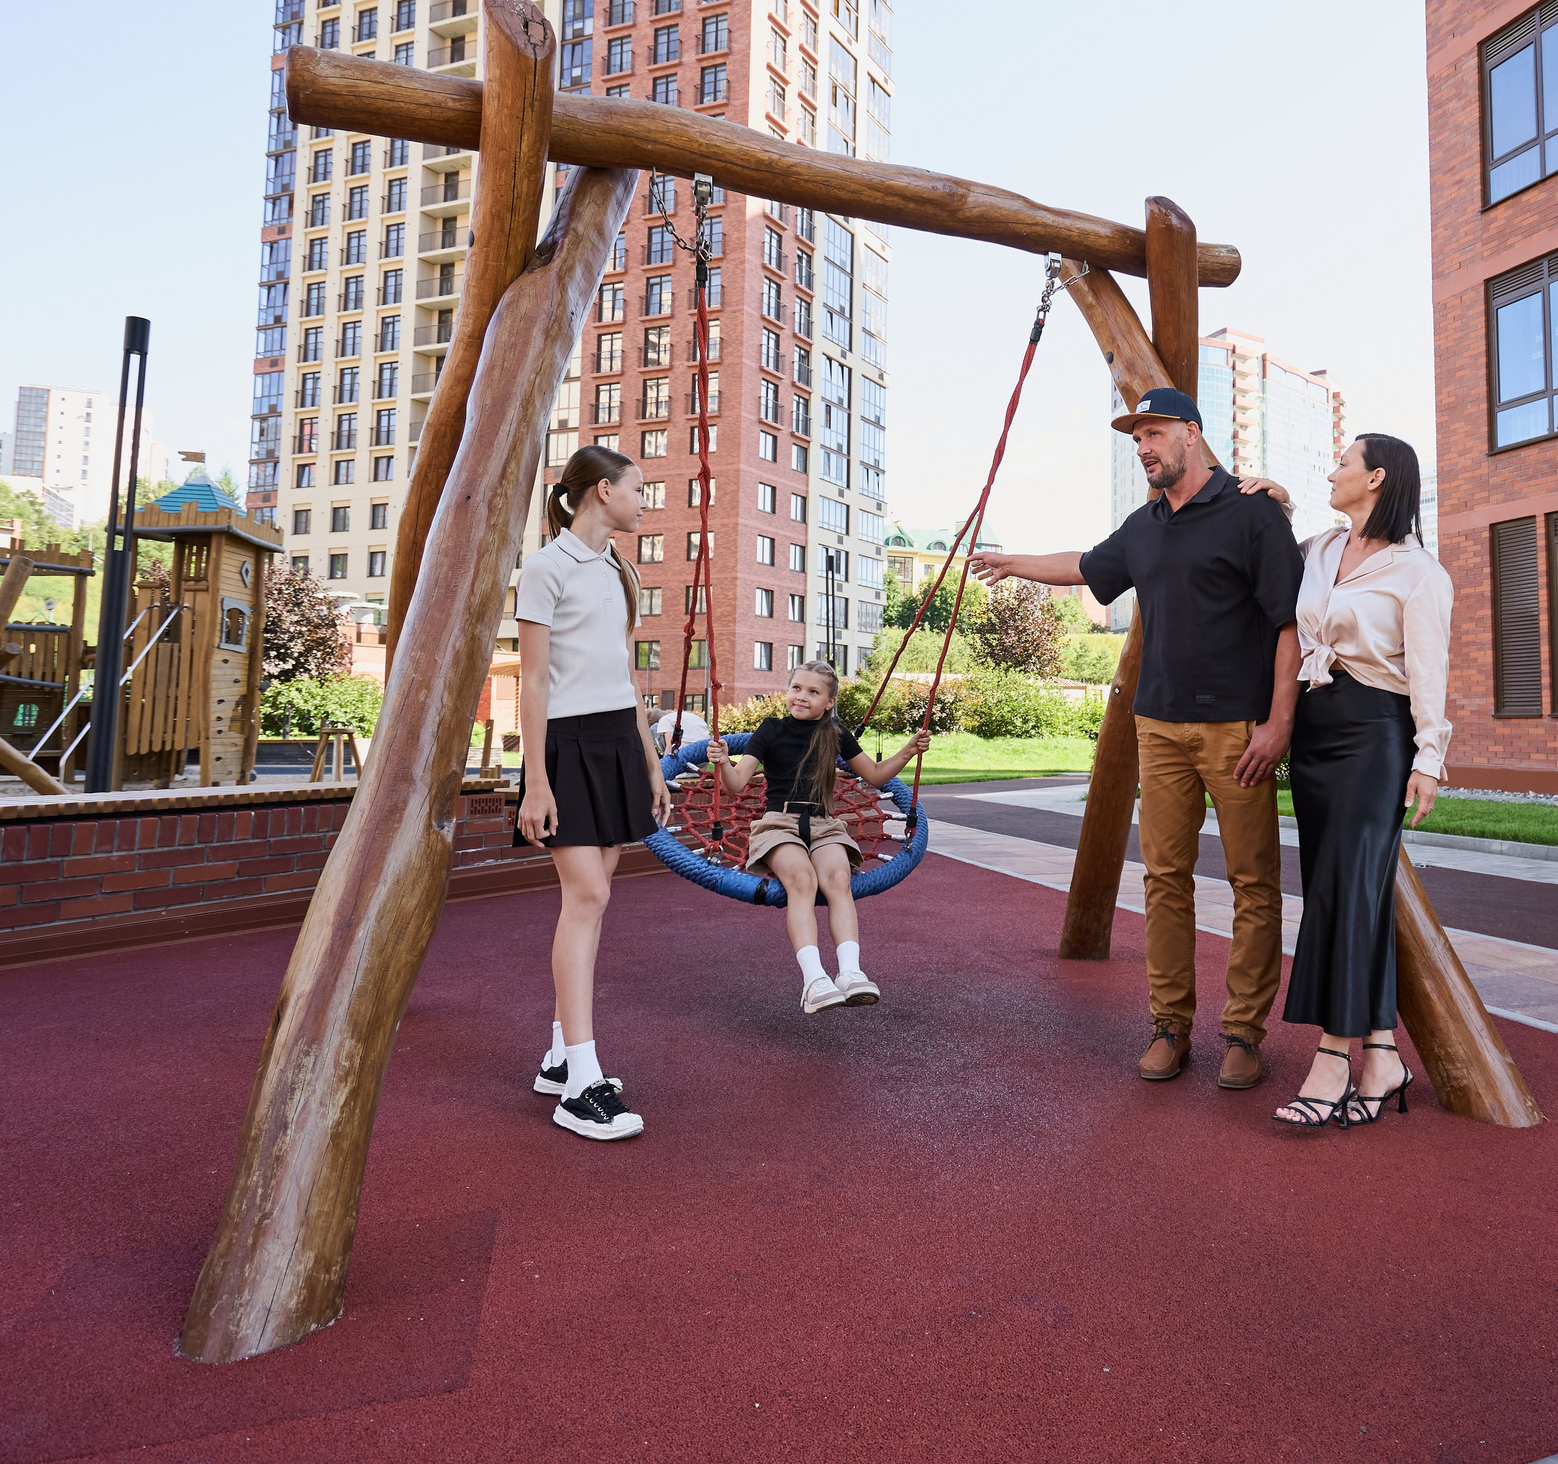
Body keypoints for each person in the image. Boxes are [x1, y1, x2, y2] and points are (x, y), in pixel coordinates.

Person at [971, 387, 1304, 1090]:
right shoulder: (1144, 524)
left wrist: (1279, 723)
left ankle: (1244, 1032)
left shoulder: (1253, 514)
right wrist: (1013, 562)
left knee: (1253, 885)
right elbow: (1087, 566)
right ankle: (1170, 1027)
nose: (1144, 447)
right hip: (1159, 726)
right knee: (1164, 882)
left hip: (1237, 730)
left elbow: (1287, 625)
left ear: (1191, 433)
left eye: (1152, 433)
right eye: (1135, 439)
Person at [1243, 436, 1452, 1129]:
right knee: (1346, 889)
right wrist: (1280, 503)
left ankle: (1334, 1057)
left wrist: (1428, 758)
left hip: (1375, 734)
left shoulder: (1419, 572)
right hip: (1316, 731)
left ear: (1377, 478)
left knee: (1345, 891)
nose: (1332, 470)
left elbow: (1429, 673)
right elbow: (1287, 597)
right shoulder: (1323, 549)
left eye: (1343, 462)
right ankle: (1384, 1053)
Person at [515, 444, 672, 1142]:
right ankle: (580, 1081)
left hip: (617, 740)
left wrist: (651, 763)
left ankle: (558, 1054)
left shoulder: (620, 568)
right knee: (588, 897)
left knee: (595, 893)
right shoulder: (545, 569)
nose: (645, 502)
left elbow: (627, 679)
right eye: (639, 489)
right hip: (567, 744)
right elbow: (532, 681)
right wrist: (535, 782)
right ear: (602, 492)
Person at [707, 660, 931, 1013]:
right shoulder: (770, 730)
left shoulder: (836, 732)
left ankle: (850, 973)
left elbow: (873, 776)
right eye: (797, 688)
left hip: (825, 823)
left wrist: (908, 750)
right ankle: (813, 980)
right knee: (802, 879)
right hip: (779, 824)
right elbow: (735, 786)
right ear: (788, 690)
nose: (801, 697)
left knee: (839, 879)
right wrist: (722, 762)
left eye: (813, 692)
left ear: (829, 702)